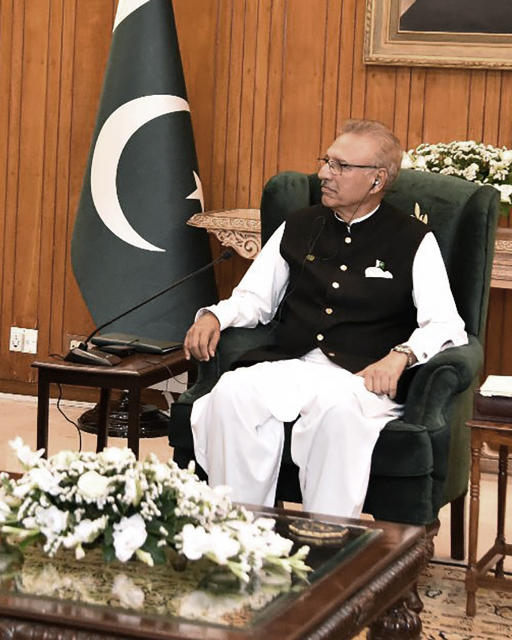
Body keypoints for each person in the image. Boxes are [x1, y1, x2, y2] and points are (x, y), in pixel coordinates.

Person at [181, 119, 467, 518]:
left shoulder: (413, 239)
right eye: (326, 161)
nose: (323, 174)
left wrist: (402, 355)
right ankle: (241, 537)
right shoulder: (299, 226)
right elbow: (254, 299)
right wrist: (215, 315)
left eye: (340, 166)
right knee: (232, 393)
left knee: (338, 413)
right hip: (292, 363)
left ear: (376, 180)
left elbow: (446, 324)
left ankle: (328, 544)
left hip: (358, 377)